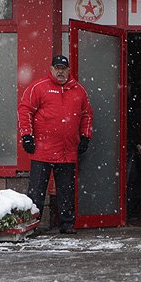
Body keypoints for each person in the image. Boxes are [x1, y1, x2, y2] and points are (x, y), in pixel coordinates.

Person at [18, 55, 93, 234]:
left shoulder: (79, 90)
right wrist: (27, 136)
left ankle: (67, 224)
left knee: (66, 190)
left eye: (63, 68)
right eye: (57, 68)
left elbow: (87, 115)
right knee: (37, 191)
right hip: (42, 151)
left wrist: (85, 137)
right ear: (51, 69)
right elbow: (25, 110)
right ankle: (32, 225)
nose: (60, 72)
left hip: (67, 151)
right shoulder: (39, 87)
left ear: (68, 70)